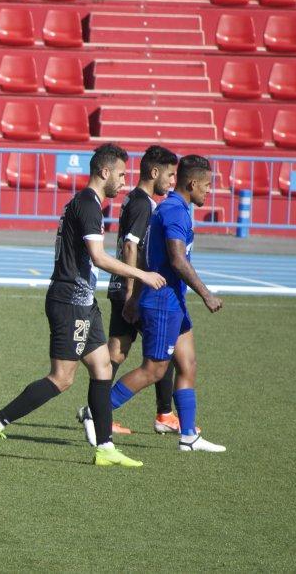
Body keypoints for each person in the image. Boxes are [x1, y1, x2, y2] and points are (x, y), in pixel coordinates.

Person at [0, 143, 165, 468]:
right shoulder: (88, 205)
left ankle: (104, 447)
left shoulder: (87, 203)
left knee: (103, 367)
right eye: (120, 174)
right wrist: (141, 274)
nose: (123, 181)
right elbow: (98, 257)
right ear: (104, 172)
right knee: (62, 378)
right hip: (69, 302)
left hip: (84, 301)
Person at [106, 155, 226, 453]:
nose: (209, 191)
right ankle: (96, 411)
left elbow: (151, 255)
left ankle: (188, 435)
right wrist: (206, 293)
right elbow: (176, 258)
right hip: (163, 303)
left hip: (175, 301)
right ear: (192, 183)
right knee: (154, 370)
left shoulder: (177, 208)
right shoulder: (173, 211)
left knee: (188, 363)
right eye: (207, 185)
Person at [80, 145, 181, 436]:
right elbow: (130, 245)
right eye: (170, 175)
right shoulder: (141, 203)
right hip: (133, 291)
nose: (172, 181)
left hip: (125, 288)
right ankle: (161, 414)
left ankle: (100, 412)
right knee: (163, 354)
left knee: (118, 352)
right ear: (154, 172)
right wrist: (131, 291)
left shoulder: (135, 200)